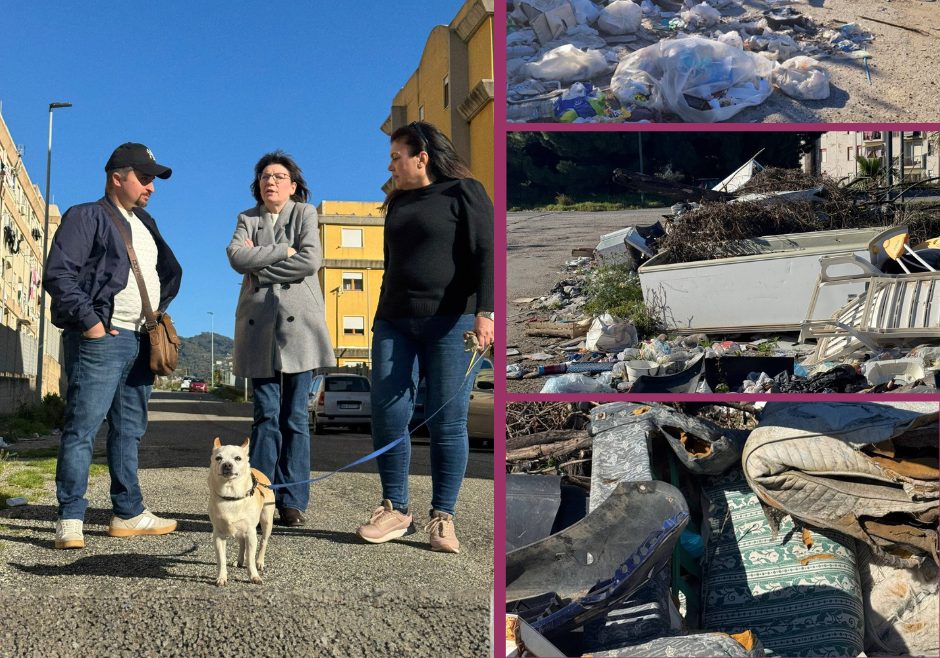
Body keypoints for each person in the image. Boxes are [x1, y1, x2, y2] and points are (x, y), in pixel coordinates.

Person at [356, 121, 494, 554]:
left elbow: (485, 253)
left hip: (451, 320)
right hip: (394, 320)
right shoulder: (395, 203)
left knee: (446, 419)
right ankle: (395, 508)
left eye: (397, 155)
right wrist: (379, 317)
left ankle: (443, 517)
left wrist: (485, 313)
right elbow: (392, 265)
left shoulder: (464, 192)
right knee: (387, 411)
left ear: (422, 157)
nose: (390, 164)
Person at [44, 142, 182, 549]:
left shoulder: (146, 223)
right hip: (103, 339)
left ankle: (128, 512)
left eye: (154, 179)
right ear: (116, 177)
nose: (151, 186)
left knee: (129, 431)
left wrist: (155, 314)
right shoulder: (86, 216)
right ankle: (70, 517)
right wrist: (92, 326)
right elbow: (59, 276)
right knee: (82, 428)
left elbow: (167, 273)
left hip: (141, 339)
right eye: (144, 177)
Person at [226, 151, 335, 527]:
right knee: (265, 416)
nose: (270, 181)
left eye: (278, 176)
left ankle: (294, 500)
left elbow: (309, 261)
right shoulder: (247, 218)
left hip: (299, 328)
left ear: (292, 184)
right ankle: (262, 495)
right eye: (264, 177)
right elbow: (236, 257)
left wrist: (263, 269)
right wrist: (280, 252)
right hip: (260, 329)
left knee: (295, 418)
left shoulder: (304, 214)